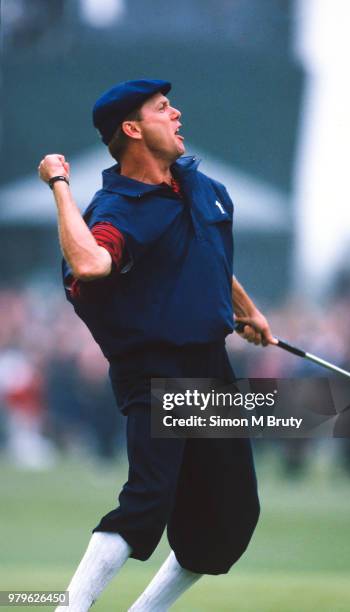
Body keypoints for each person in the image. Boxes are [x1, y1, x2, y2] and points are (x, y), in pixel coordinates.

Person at [38, 79, 277, 612]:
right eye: (163, 108)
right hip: (156, 368)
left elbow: (207, 251)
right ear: (132, 129)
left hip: (211, 366)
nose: (177, 113)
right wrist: (58, 185)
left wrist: (245, 308)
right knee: (148, 501)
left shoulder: (202, 188)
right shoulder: (117, 209)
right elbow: (90, 264)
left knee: (230, 518)